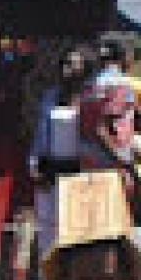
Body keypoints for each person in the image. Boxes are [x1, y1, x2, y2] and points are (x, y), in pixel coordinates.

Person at [28, 48, 93, 257]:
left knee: (73, 221)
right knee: (47, 220)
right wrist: (34, 161)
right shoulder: (51, 96)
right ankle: (48, 267)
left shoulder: (89, 97)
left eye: (74, 65)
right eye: (65, 64)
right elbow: (41, 130)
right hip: (50, 164)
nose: (68, 69)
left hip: (78, 166)